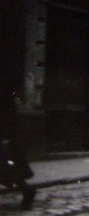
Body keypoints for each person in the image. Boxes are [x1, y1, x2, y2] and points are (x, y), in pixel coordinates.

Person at [0, 81, 37, 210]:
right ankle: (27, 190)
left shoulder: (4, 91)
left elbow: (6, 115)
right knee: (7, 170)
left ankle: (27, 190)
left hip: (4, 138)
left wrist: (4, 136)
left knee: (7, 169)